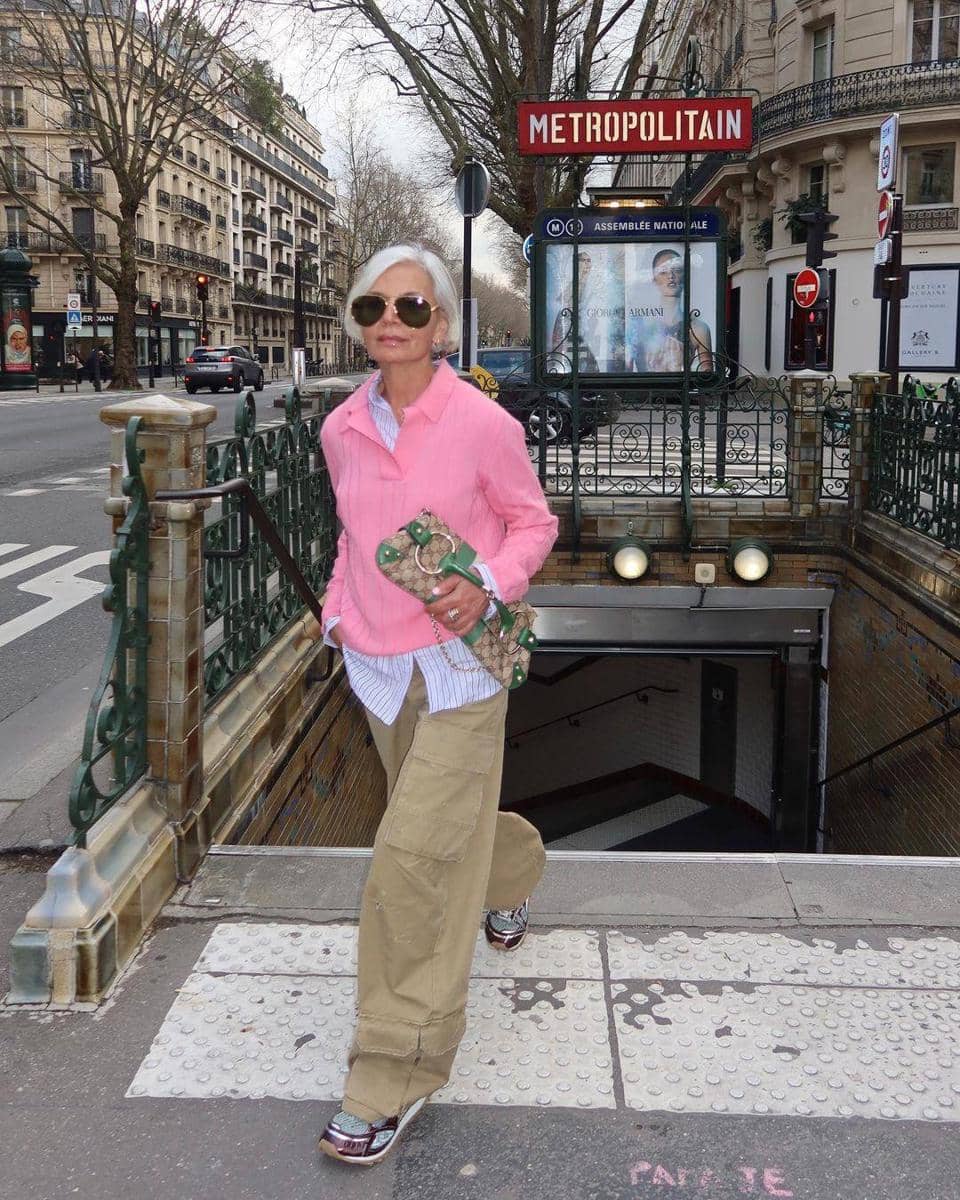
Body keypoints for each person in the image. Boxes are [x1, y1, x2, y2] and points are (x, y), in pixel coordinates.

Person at [305, 244, 558, 1166]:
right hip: (378, 669)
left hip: (463, 670)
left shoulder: (484, 424)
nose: (390, 321)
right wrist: (336, 613)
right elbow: (351, 536)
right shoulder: (341, 429)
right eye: (372, 306)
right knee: (445, 831)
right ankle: (514, 869)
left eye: (410, 307)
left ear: (441, 324)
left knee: (410, 864)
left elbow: (533, 522)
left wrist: (488, 580)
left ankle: (393, 1070)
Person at [627, 248, 714, 373]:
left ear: (685, 276)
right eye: (663, 272)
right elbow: (626, 369)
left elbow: (707, 374)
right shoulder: (638, 326)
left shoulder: (698, 329)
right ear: (654, 279)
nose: (671, 276)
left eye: (677, 270)